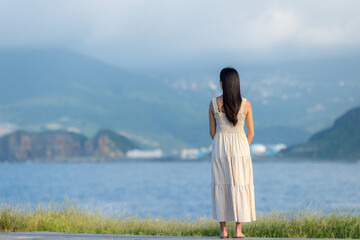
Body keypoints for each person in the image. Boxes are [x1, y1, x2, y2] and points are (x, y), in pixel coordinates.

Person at [208, 67, 256, 238]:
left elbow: (212, 133)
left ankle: (223, 230)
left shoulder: (213, 103)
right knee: (239, 185)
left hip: (220, 149)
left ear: (222, 83)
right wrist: (242, 147)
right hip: (241, 150)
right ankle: (238, 230)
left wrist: (222, 142)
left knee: (221, 185)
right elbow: (251, 133)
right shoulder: (246, 104)